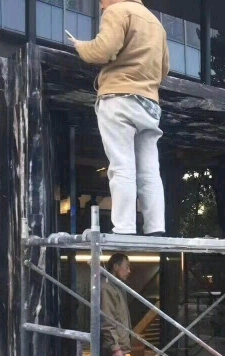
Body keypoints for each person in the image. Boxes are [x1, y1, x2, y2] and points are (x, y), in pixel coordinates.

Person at [70, 0, 169, 236]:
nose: (100, 6)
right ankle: (155, 227)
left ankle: (125, 228)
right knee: (149, 170)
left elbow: (103, 49)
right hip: (149, 104)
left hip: (119, 97)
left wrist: (80, 46)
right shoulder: (156, 23)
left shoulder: (118, 11)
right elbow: (164, 68)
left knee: (122, 166)